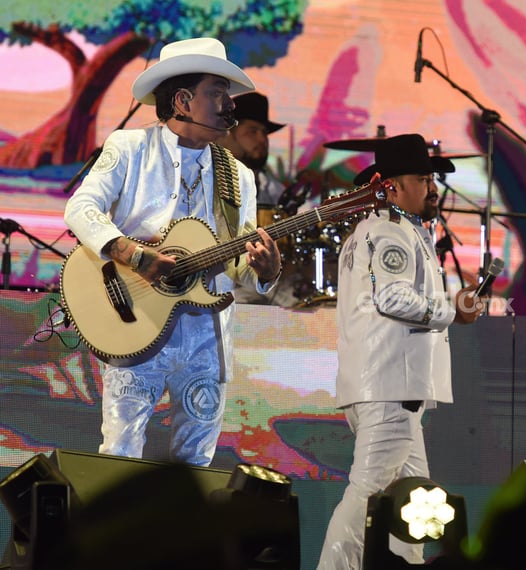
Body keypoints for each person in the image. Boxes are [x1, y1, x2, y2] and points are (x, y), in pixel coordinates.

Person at [64, 37, 282, 466]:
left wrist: (266, 271)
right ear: (182, 100)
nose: (229, 106)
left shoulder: (238, 176)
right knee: (120, 457)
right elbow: (81, 207)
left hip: (207, 335)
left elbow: (241, 264)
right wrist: (136, 256)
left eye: (227, 95)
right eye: (216, 94)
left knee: (195, 464)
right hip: (135, 319)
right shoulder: (129, 148)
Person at [317, 134, 485, 569]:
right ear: (390, 186)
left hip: (385, 386)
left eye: (432, 178)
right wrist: (453, 311)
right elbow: (392, 299)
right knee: (367, 496)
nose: (432, 187)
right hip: (392, 387)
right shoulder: (390, 231)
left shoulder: (372, 230)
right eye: (421, 178)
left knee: (416, 501)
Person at [217, 91, 301, 307]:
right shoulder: (206, 177)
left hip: (271, 282)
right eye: (252, 132)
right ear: (228, 134)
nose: (262, 140)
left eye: (265, 133)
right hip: (223, 284)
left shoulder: (274, 190)